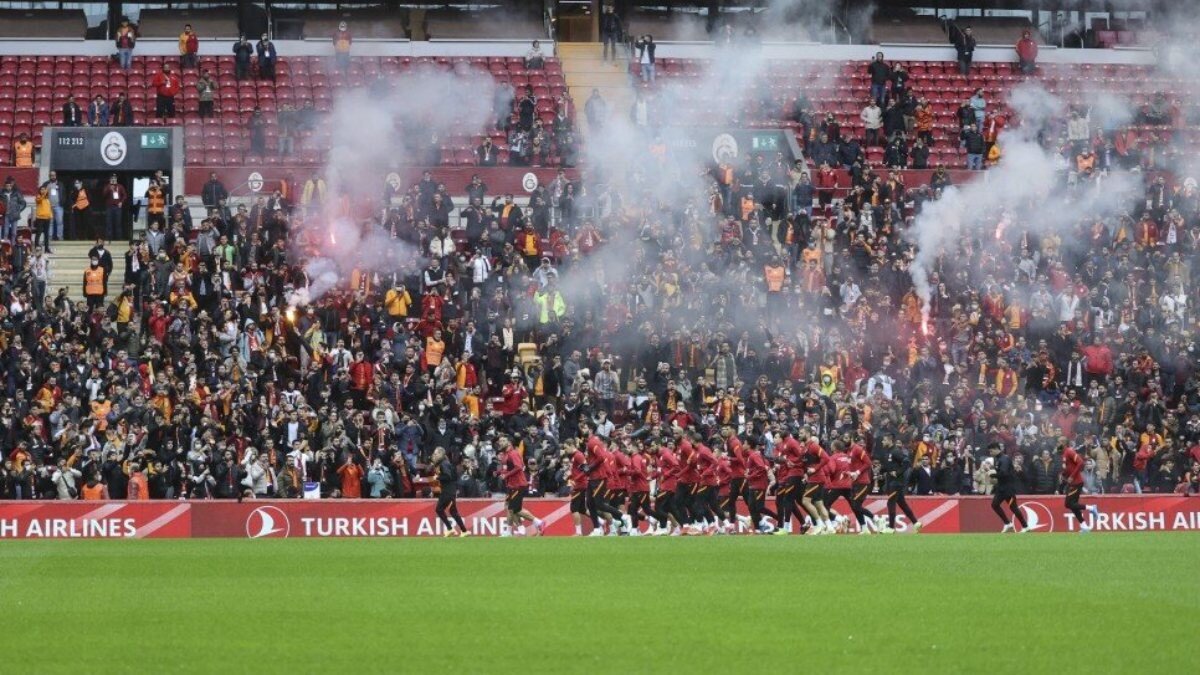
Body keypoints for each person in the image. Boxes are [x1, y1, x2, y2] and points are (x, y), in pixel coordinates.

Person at [497, 436, 544, 536]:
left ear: (509, 443)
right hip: (511, 485)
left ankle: (512, 530)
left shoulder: (513, 453)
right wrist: (499, 472)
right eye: (500, 441)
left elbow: (519, 466)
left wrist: (506, 475)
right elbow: (507, 468)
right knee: (510, 507)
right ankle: (523, 527)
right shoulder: (506, 454)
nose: (501, 442)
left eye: (503, 440)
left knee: (512, 509)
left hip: (518, 485)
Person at [1059, 439, 1100, 532]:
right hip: (1072, 482)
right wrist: (1063, 474)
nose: (1058, 444)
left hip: (1076, 482)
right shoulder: (1064, 453)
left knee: (1068, 504)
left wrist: (1072, 476)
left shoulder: (1069, 451)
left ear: (1064, 443)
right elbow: (1069, 467)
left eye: (1059, 442)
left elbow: (1080, 462)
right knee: (1073, 505)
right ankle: (1084, 526)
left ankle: (1092, 507)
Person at [988, 443, 1029, 533]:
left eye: (991, 451)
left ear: (996, 449)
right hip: (1001, 488)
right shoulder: (997, 459)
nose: (990, 453)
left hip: (1008, 489)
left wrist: (993, 474)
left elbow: (1004, 473)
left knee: (1013, 507)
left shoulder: (1005, 459)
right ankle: (1008, 524)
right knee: (994, 505)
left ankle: (1025, 526)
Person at [431, 447, 470, 536]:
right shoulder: (446, 463)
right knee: (453, 512)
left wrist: (437, 477)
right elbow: (454, 476)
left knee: (439, 509)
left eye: (436, 454)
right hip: (451, 490)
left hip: (447, 491)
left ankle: (450, 528)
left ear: (441, 454)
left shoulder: (443, 464)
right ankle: (464, 531)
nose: (434, 455)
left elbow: (447, 476)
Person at [1, 177, 26, 241]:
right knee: (5, 233)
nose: (8, 187)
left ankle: (13, 245)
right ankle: (5, 245)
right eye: (7, 186)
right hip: (6, 215)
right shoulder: (2, 194)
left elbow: (23, 203)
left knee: (14, 233)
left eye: (9, 186)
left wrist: (18, 209)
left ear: (11, 186)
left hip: (14, 215)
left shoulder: (16, 193)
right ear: (5, 186)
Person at [102, 175, 127, 240]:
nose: (113, 180)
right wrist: (109, 188)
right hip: (109, 207)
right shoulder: (107, 186)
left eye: (114, 178)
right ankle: (109, 238)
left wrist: (121, 202)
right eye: (112, 178)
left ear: (116, 179)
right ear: (110, 179)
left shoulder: (120, 186)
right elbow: (104, 195)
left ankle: (119, 239)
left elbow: (124, 195)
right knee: (109, 223)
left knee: (118, 223)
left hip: (117, 207)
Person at [32, 183, 51, 252]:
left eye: (44, 189)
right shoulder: (38, 197)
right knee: (38, 233)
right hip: (40, 218)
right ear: (39, 191)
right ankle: (36, 247)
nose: (43, 191)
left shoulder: (47, 199)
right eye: (41, 189)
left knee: (46, 234)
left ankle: (46, 248)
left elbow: (48, 209)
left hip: (47, 218)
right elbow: (39, 200)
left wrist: (50, 216)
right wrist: (45, 192)